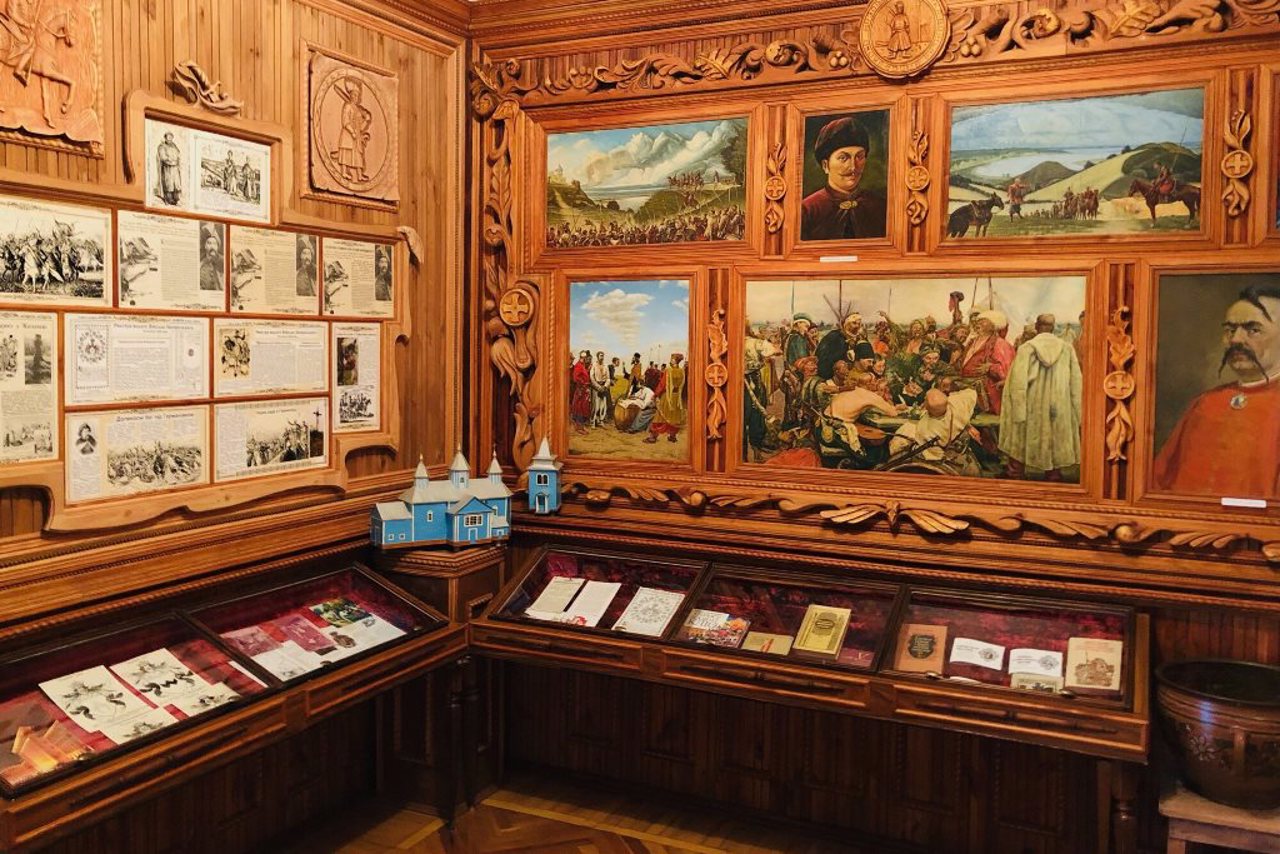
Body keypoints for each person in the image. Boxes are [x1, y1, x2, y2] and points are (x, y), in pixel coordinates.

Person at [1153, 284, 1280, 498]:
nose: (1236, 340)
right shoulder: (1205, 403)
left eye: (1253, 330)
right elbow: (1158, 483)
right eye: (1230, 330)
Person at [998, 314, 1082, 481]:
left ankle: (1015, 472)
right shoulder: (1066, 348)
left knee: (1020, 436)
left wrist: (1018, 409)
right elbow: (1076, 381)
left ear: (1037, 327)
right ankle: (1053, 474)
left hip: (1031, 402)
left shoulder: (1026, 348)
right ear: (1053, 328)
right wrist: (1078, 410)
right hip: (1059, 402)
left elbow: (1018, 380)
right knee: (1055, 436)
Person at [799, 117, 887, 241]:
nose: (853, 167)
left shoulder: (881, 206)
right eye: (843, 158)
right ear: (825, 165)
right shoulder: (807, 211)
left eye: (859, 157)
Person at [889, 387, 980, 471]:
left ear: (927, 408)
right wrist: (968, 425)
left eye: (925, 399)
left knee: (900, 442)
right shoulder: (958, 402)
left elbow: (933, 454)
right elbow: (972, 393)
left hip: (944, 455)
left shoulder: (926, 429)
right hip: (958, 446)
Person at [958, 310, 1013, 414]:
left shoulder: (1000, 344)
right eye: (978, 321)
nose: (978, 323)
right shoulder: (972, 341)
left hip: (986, 391)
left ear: (993, 326)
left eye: (983, 321)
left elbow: (1008, 371)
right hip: (965, 385)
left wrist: (990, 367)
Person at [646, 354, 687, 443]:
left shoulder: (668, 370)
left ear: (675, 360)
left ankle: (653, 437)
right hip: (677, 398)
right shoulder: (682, 371)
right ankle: (672, 436)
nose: (670, 360)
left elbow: (662, 384)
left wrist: (655, 394)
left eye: (672, 359)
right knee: (674, 417)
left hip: (667, 397)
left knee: (659, 416)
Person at [815, 312, 866, 380]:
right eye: (854, 323)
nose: (857, 326)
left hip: (845, 375)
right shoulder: (834, 336)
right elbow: (823, 358)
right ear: (846, 324)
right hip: (828, 375)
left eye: (859, 324)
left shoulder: (856, 339)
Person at [156, 131, 183, 206]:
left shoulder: (174, 145)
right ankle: (168, 199)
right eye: (168, 138)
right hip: (167, 168)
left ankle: (176, 199)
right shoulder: (161, 146)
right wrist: (170, 160)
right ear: (165, 138)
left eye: (171, 138)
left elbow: (178, 153)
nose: (170, 140)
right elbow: (163, 157)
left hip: (175, 167)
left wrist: (176, 160)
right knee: (168, 184)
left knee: (176, 184)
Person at [569, 351, 593, 434]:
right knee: (579, 409)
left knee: (583, 409)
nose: (587, 359)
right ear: (583, 358)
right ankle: (579, 427)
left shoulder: (582, 365)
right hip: (580, 390)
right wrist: (584, 384)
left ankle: (581, 427)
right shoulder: (578, 366)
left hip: (583, 390)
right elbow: (576, 378)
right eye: (586, 358)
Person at [589, 349, 610, 427]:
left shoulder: (606, 366)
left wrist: (605, 386)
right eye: (601, 356)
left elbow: (608, 378)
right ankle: (593, 422)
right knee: (596, 406)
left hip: (604, 387)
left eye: (603, 356)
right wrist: (598, 386)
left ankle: (601, 421)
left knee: (603, 405)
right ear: (597, 357)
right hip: (596, 387)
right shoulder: (594, 365)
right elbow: (592, 377)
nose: (602, 357)